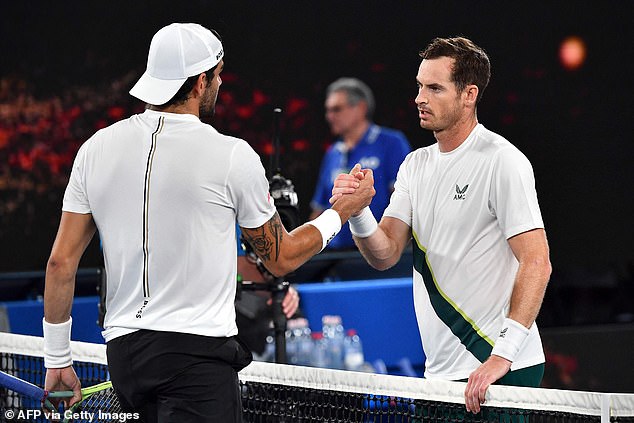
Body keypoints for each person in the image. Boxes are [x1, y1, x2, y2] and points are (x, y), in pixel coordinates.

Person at [42, 23, 374, 422]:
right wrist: (341, 213)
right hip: (196, 361)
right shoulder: (231, 155)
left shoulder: (94, 150)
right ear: (200, 82)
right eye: (217, 75)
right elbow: (280, 258)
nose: (219, 83)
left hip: (126, 360)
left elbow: (60, 263)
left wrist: (57, 358)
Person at [331, 37, 551, 414]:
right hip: (440, 375)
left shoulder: (503, 161)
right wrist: (358, 211)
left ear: (469, 95)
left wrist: (503, 356)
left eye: (434, 88)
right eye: (419, 85)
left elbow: (537, 263)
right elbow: (384, 253)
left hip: (499, 369)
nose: (420, 97)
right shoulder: (415, 165)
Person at [310, 77, 411, 250]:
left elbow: (406, 200)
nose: (329, 116)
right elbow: (319, 209)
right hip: (336, 256)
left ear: (361, 108)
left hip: (378, 250)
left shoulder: (391, 143)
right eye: (328, 110)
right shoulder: (332, 153)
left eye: (336, 109)